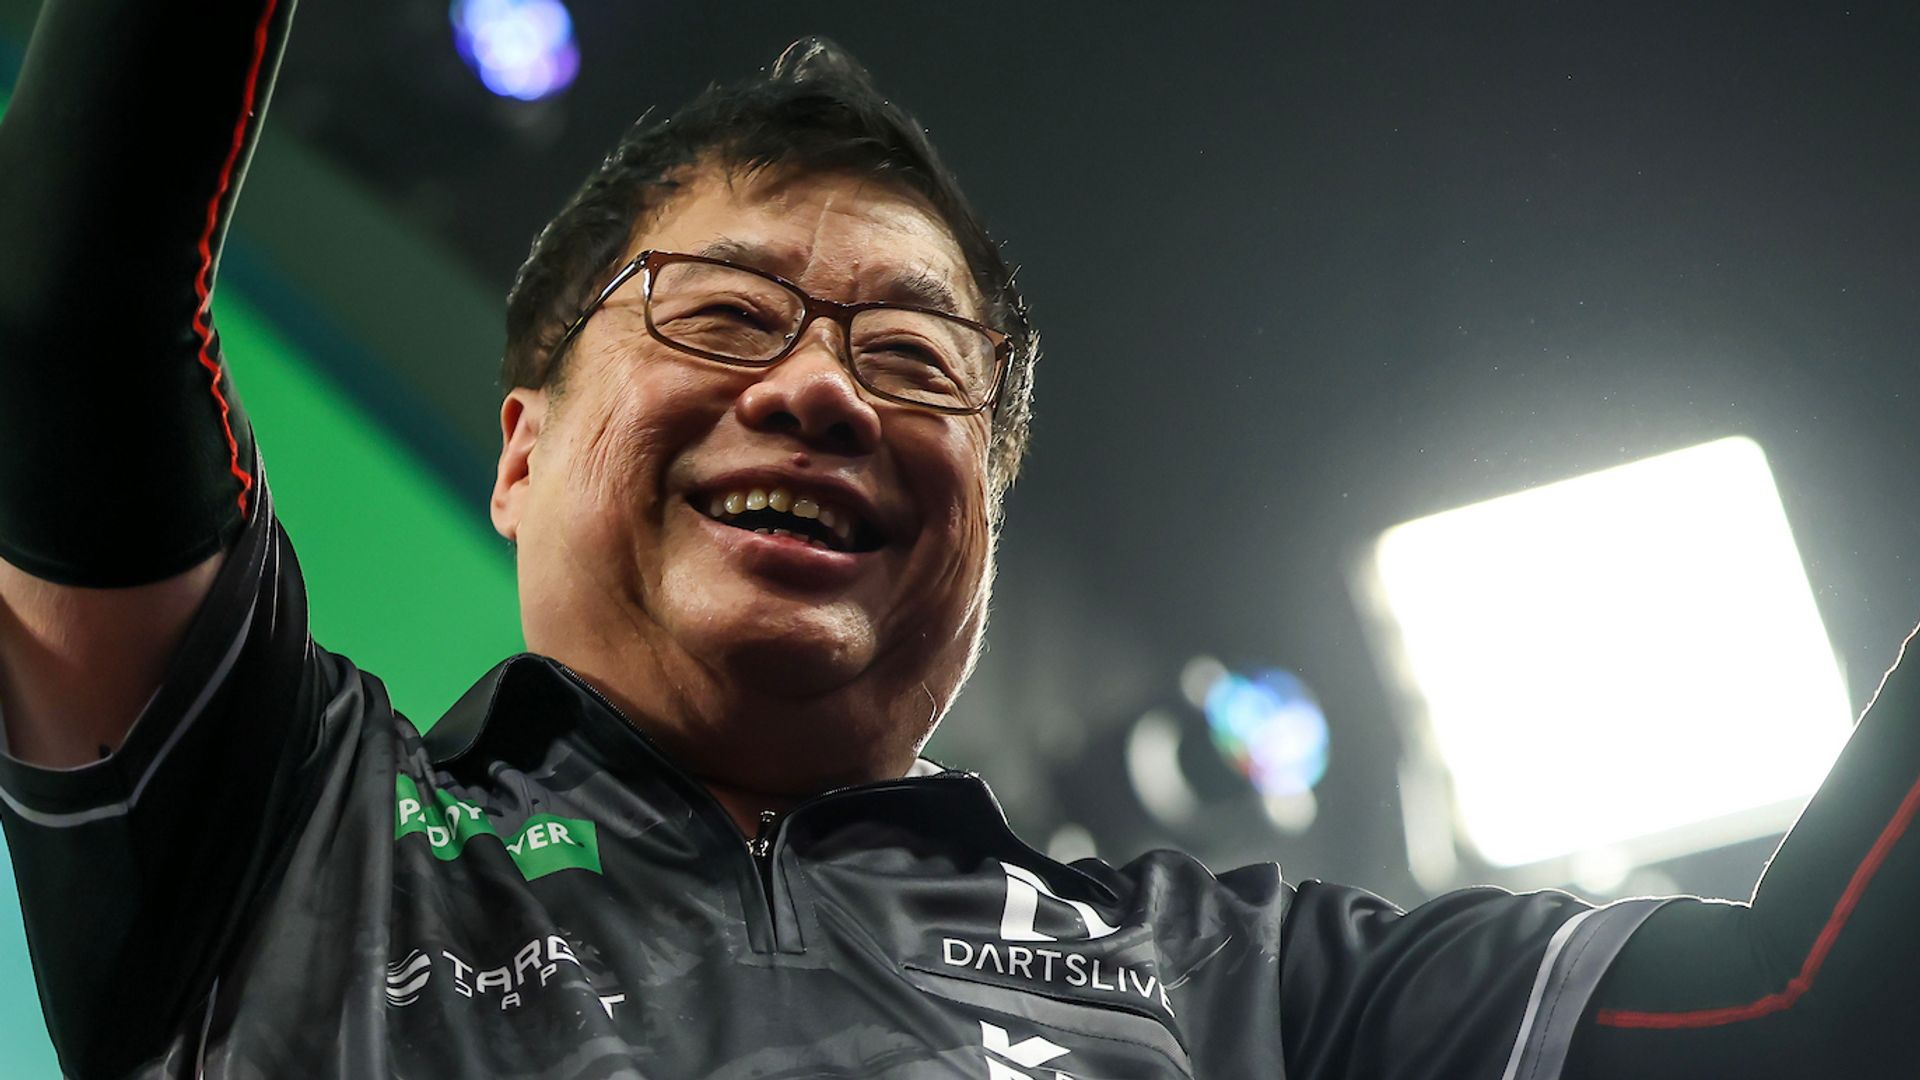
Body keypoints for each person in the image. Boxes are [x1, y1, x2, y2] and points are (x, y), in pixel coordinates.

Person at [0, 0, 1914, 1076]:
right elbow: (62, 311)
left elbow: (1805, 1004)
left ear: (984, 530)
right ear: (521, 451)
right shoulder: (289, 823)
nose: (821, 391)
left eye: (913, 360)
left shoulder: (1260, 984)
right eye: (722, 314)